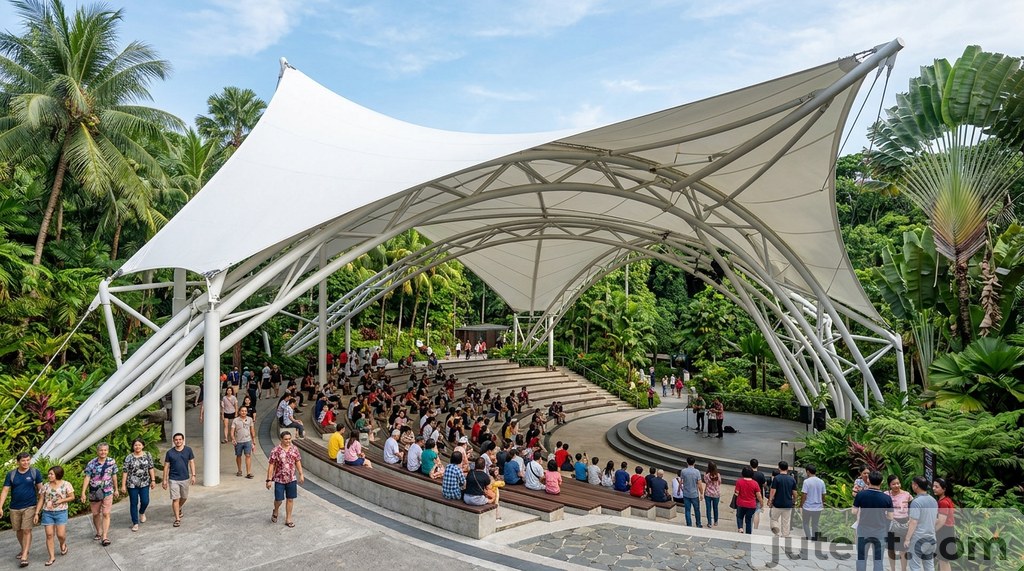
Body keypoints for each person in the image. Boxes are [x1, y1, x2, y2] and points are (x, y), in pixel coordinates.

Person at [2, 452, 44, 567]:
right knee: (19, 531)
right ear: (18, 462)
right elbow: (5, 490)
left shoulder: (35, 472)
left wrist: (38, 509)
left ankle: (25, 555)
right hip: (14, 507)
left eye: (28, 460)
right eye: (23, 461)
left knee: (26, 530)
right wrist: (0, 506)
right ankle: (24, 548)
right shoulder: (11, 474)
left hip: (30, 506)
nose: (26, 463)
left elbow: (41, 491)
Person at [853, 471, 894, 571]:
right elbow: (890, 517)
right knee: (878, 559)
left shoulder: (861, 495)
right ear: (882, 481)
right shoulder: (887, 498)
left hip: (863, 530)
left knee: (861, 558)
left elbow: (854, 511)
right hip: (880, 531)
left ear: (868, 480)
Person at [33, 466, 73, 566]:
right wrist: (36, 513)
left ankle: (62, 544)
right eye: (49, 474)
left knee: (60, 535)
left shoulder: (66, 484)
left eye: (51, 474)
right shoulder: (45, 486)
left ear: (57, 474)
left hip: (61, 512)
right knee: (49, 535)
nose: (49, 476)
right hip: (47, 513)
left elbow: (72, 497)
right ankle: (51, 557)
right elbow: (41, 500)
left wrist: (61, 500)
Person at [81, 443, 118, 546]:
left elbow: (114, 475)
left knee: (106, 513)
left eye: (105, 450)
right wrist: (83, 492)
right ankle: (99, 532)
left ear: (108, 451)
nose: (103, 452)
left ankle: (105, 536)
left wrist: (116, 489)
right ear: (97, 451)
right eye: (101, 450)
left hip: (108, 491)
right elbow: (87, 477)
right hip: (95, 491)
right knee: (96, 513)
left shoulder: (111, 462)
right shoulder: (91, 463)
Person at [266, 430, 304, 528]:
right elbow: (271, 465)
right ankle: (276, 510)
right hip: (279, 479)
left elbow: (298, 461)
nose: (288, 441)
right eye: (286, 439)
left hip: (291, 478)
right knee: (278, 499)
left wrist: (301, 474)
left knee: (290, 499)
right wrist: (269, 479)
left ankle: (288, 519)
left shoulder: (294, 449)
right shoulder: (276, 450)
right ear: (281, 439)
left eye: (289, 439)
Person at [121, 439, 156, 532]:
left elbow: (151, 468)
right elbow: (125, 471)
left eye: (139, 445)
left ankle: (142, 512)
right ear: (133, 446)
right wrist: (123, 485)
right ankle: (135, 523)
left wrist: (153, 480)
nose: (137, 447)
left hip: (144, 482)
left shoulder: (147, 455)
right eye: (135, 445)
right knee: (133, 503)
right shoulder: (129, 457)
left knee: (145, 501)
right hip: (132, 484)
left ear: (143, 446)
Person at [162, 432, 196, 528]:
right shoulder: (170, 453)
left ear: (183, 440)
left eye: (180, 439)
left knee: (184, 497)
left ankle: (179, 507)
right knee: (175, 499)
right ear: (173, 441)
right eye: (176, 440)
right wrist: (164, 480)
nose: (178, 441)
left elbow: (191, 462)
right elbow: (166, 467)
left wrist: (193, 475)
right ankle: (177, 519)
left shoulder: (188, 450)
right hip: (173, 479)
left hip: (185, 478)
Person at [904, 476, 938, 571]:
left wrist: (907, 539)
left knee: (915, 566)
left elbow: (914, 521)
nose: (912, 486)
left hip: (918, 539)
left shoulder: (916, 502)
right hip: (931, 538)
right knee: (929, 566)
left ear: (916, 486)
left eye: (912, 484)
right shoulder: (933, 500)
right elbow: (934, 519)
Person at [885, 475, 912, 571]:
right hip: (890, 523)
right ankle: (892, 569)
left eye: (898, 483)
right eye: (893, 484)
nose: (896, 485)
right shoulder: (886, 495)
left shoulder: (907, 494)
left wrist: (910, 520)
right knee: (890, 548)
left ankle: (903, 569)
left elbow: (912, 508)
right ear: (889, 485)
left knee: (903, 549)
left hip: (904, 522)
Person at [769, 460, 798, 538]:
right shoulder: (792, 479)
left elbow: (773, 491)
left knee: (774, 519)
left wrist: (770, 500)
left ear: (779, 468)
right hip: (788, 504)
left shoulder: (776, 478)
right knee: (786, 521)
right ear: (787, 468)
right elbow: (795, 493)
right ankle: (785, 535)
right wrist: (794, 501)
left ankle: (776, 533)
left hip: (777, 503)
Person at [932, 478, 957, 570]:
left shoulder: (943, 502)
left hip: (944, 532)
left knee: (943, 560)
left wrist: (932, 532)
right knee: (944, 560)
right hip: (948, 531)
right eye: (933, 486)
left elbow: (941, 521)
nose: (934, 488)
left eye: (937, 487)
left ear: (944, 489)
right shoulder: (947, 500)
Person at [734, 466, 764, 534]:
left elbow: (736, 492)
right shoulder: (755, 483)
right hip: (751, 505)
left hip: (741, 503)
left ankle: (740, 528)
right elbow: (758, 495)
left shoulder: (739, 481)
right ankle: (748, 534)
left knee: (739, 516)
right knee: (748, 520)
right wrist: (761, 503)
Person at [801, 464, 827, 542]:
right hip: (818, 507)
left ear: (808, 472)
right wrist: (823, 503)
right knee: (815, 524)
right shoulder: (821, 482)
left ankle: (808, 537)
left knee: (805, 523)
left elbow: (804, 494)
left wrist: (801, 504)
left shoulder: (806, 482)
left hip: (808, 506)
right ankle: (814, 539)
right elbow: (823, 495)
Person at [231, 406, 257, 478]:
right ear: (239, 412)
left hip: (248, 440)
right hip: (238, 441)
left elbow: (252, 430)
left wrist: (253, 440)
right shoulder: (235, 420)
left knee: (248, 455)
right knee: (238, 455)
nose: (244, 412)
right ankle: (239, 470)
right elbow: (232, 431)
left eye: (245, 411)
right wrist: (233, 438)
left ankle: (248, 472)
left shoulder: (250, 419)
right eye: (242, 411)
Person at [678, 457, 703, 527]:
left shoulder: (683, 471)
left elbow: (681, 481)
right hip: (694, 494)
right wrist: (701, 493)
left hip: (686, 493)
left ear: (687, 463)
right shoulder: (697, 472)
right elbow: (699, 484)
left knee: (687, 510)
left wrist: (679, 489)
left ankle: (689, 524)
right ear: (694, 463)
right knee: (697, 510)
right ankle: (698, 524)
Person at [703, 461, 722, 528]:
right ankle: (716, 521)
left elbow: (706, 482)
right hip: (716, 494)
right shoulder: (718, 475)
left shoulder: (706, 475)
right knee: (715, 508)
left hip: (708, 493)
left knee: (708, 508)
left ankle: (709, 522)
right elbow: (719, 483)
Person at [749, 459, 767, 529]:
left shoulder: (748, 474)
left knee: (749, 513)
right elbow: (764, 485)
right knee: (757, 513)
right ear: (757, 465)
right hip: (758, 495)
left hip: (750, 495)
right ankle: (755, 528)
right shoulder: (760, 474)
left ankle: (749, 527)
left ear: (750, 465)